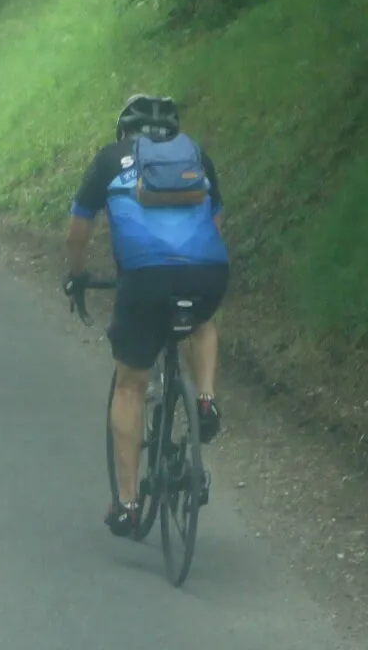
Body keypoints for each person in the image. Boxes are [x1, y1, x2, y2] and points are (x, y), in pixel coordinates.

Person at [62, 94, 229, 538]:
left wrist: (77, 277)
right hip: (206, 272)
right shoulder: (197, 154)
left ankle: (130, 504)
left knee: (131, 383)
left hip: (144, 278)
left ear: (124, 130)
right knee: (201, 319)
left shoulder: (110, 159)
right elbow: (215, 225)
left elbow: (78, 231)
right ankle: (206, 398)